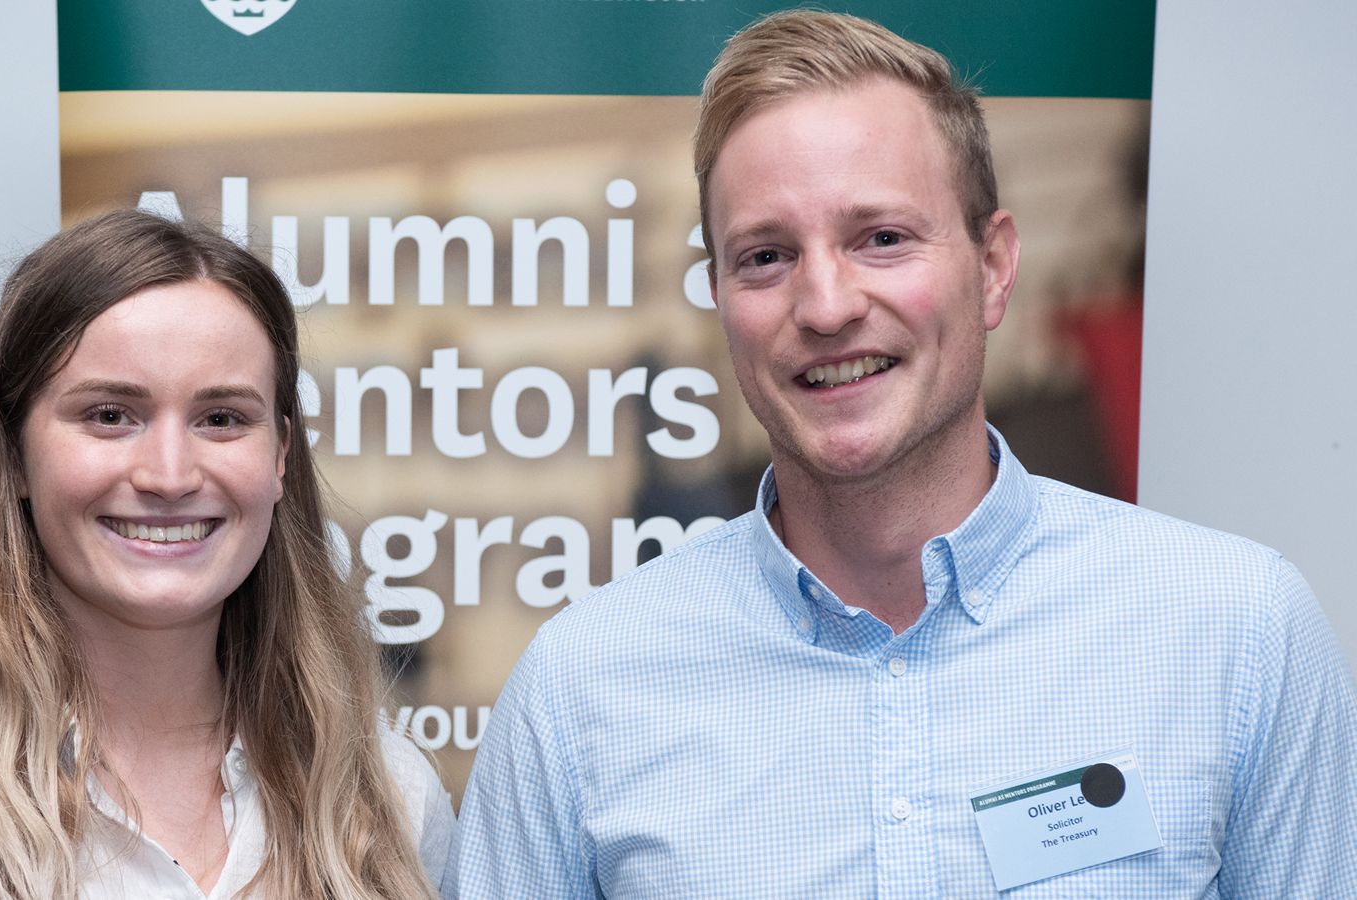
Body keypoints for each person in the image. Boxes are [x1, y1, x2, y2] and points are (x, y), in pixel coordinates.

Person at [445, 10, 1356, 898]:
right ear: (720, 296)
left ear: (994, 267)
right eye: (765, 256)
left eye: (881, 238)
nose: (827, 305)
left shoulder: (1235, 638)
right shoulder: (581, 695)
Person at [0, 210, 454, 899]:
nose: (170, 474)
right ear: (15, 457)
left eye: (222, 418)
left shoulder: (391, 798)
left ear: (279, 455)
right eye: (110, 415)